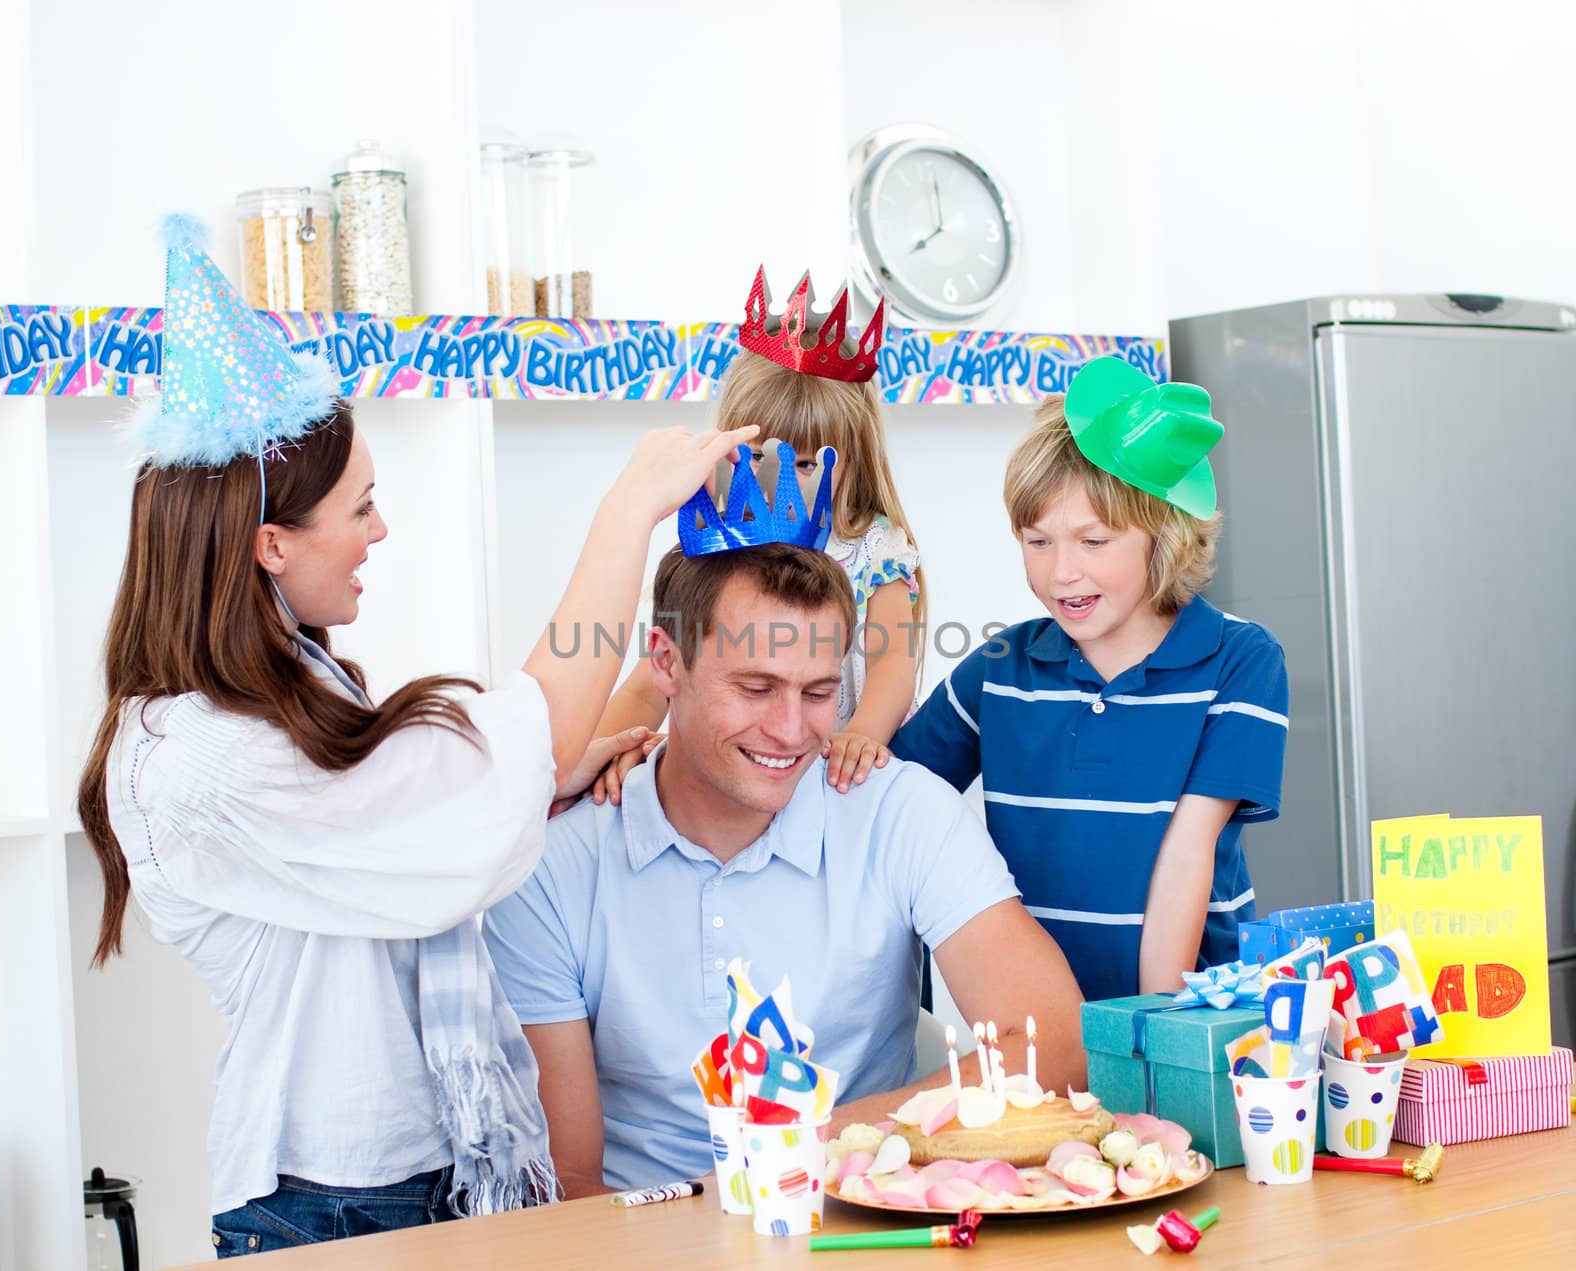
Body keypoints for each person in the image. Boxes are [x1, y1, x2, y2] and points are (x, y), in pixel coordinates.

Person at [75, 216, 755, 1253]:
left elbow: (458, 790)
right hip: (330, 1197)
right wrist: (627, 513)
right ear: (269, 544)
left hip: (417, 1171)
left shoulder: (293, 701)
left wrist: (597, 735)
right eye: (361, 508)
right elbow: (468, 793)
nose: (378, 533)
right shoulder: (199, 757)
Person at [483, 441, 1088, 1197]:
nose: (791, 729)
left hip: (864, 1223)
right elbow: (566, 1182)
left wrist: (797, 1156)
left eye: (817, 690)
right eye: (757, 686)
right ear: (665, 663)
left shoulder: (898, 809)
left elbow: (1053, 1044)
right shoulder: (555, 862)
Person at [892, 356, 1289, 1003]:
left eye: (1093, 541)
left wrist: (1149, 1039)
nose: (1061, 572)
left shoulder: (1239, 660)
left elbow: (1188, 853)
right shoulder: (998, 671)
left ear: (1162, 531)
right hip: (1046, 1039)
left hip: (1186, 1025)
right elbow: (893, 797)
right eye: (1037, 541)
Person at [590, 268, 925, 800]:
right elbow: (649, 680)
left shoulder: (873, 550)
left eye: (810, 463)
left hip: (838, 777)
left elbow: (893, 664)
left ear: (855, 459)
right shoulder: (717, 546)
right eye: (758, 459)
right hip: (740, 770)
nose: (783, 480)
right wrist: (607, 747)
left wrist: (859, 736)